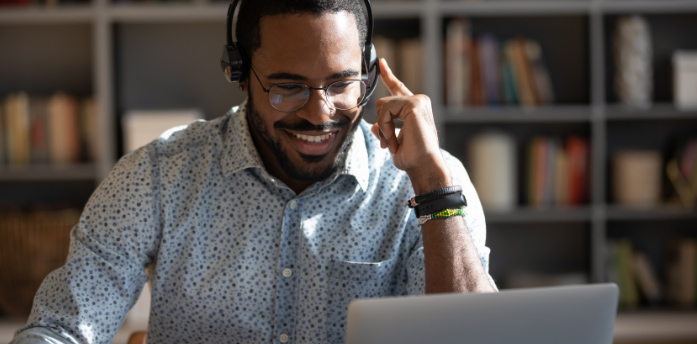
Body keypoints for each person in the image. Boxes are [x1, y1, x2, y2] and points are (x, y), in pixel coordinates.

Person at [11, 0, 496, 343]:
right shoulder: (158, 175)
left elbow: (478, 339)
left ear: (368, 73)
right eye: (289, 87)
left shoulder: (429, 182)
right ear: (240, 73)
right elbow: (62, 329)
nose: (319, 113)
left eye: (341, 84)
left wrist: (433, 185)